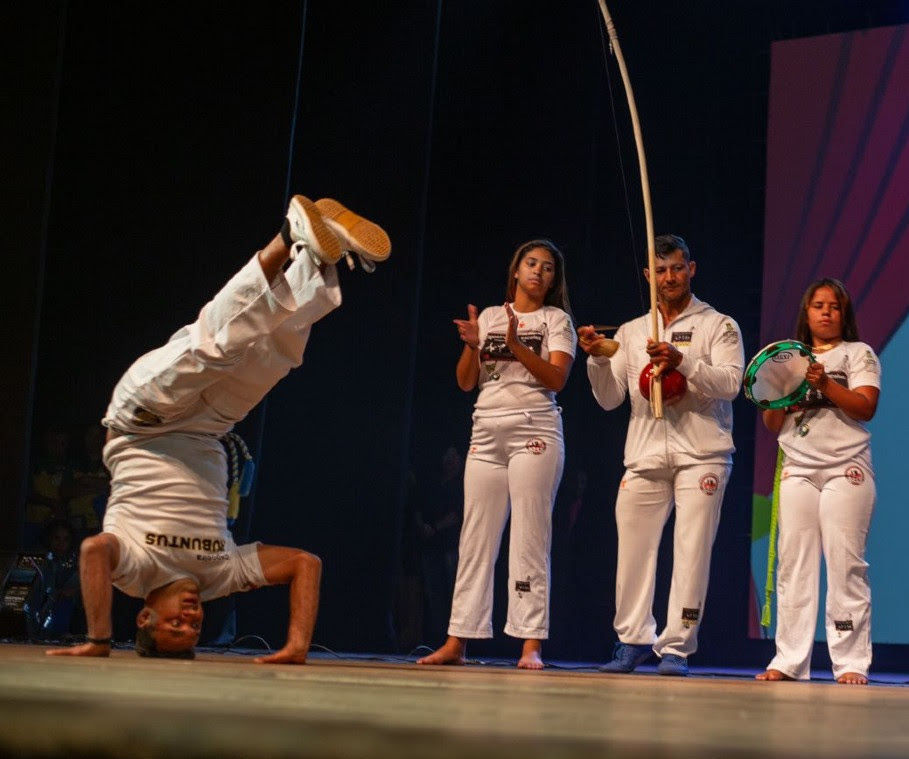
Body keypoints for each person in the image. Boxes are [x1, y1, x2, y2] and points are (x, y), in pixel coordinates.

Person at [46, 195, 390, 662]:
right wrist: (297, 645)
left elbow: (92, 552)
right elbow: (304, 564)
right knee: (277, 352)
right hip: (210, 426)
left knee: (213, 349)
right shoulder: (218, 578)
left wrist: (100, 640)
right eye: (194, 629)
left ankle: (288, 235)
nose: (190, 619)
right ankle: (318, 254)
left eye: (175, 625)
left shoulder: (135, 573)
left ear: (144, 617)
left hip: (141, 422)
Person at [578, 235, 744, 677]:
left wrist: (682, 360)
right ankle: (632, 640)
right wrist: (597, 359)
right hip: (644, 455)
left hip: (703, 454)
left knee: (692, 551)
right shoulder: (632, 331)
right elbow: (610, 399)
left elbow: (732, 383)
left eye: (677, 267)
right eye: (661, 270)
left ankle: (676, 647)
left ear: (692, 269)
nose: (669, 277)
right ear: (648, 276)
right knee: (633, 552)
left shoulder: (719, 325)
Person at [418, 240, 576, 670]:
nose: (538, 271)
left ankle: (530, 644)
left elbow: (557, 378)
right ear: (516, 271)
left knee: (530, 537)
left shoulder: (556, 319)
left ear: (553, 280)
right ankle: (458, 640)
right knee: (474, 538)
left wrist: (515, 344)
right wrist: (474, 344)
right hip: (486, 432)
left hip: (534, 431)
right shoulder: (489, 316)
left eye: (547, 268)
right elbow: (466, 383)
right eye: (531, 263)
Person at [755, 279, 880, 685]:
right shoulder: (788, 357)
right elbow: (773, 423)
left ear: (845, 314)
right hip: (798, 467)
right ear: (806, 313)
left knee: (846, 564)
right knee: (794, 564)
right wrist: (781, 391)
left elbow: (866, 407)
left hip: (847, 467)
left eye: (834, 306)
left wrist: (825, 384)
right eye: (818, 305)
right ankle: (789, 659)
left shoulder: (858, 353)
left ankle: (851, 661)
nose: (826, 312)